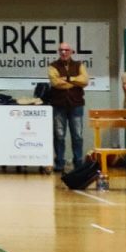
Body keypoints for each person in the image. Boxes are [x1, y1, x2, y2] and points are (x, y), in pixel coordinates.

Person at [47, 42, 88, 175]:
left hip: (76, 105)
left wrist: (68, 78)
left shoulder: (79, 65)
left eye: (66, 50)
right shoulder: (53, 66)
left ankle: (78, 162)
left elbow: (85, 81)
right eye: (61, 50)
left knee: (78, 135)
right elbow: (55, 83)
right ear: (59, 52)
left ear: (71, 52)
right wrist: (75, 82)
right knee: (59, 135)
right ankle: (59, 163)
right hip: (58, 105)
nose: (64, 52)